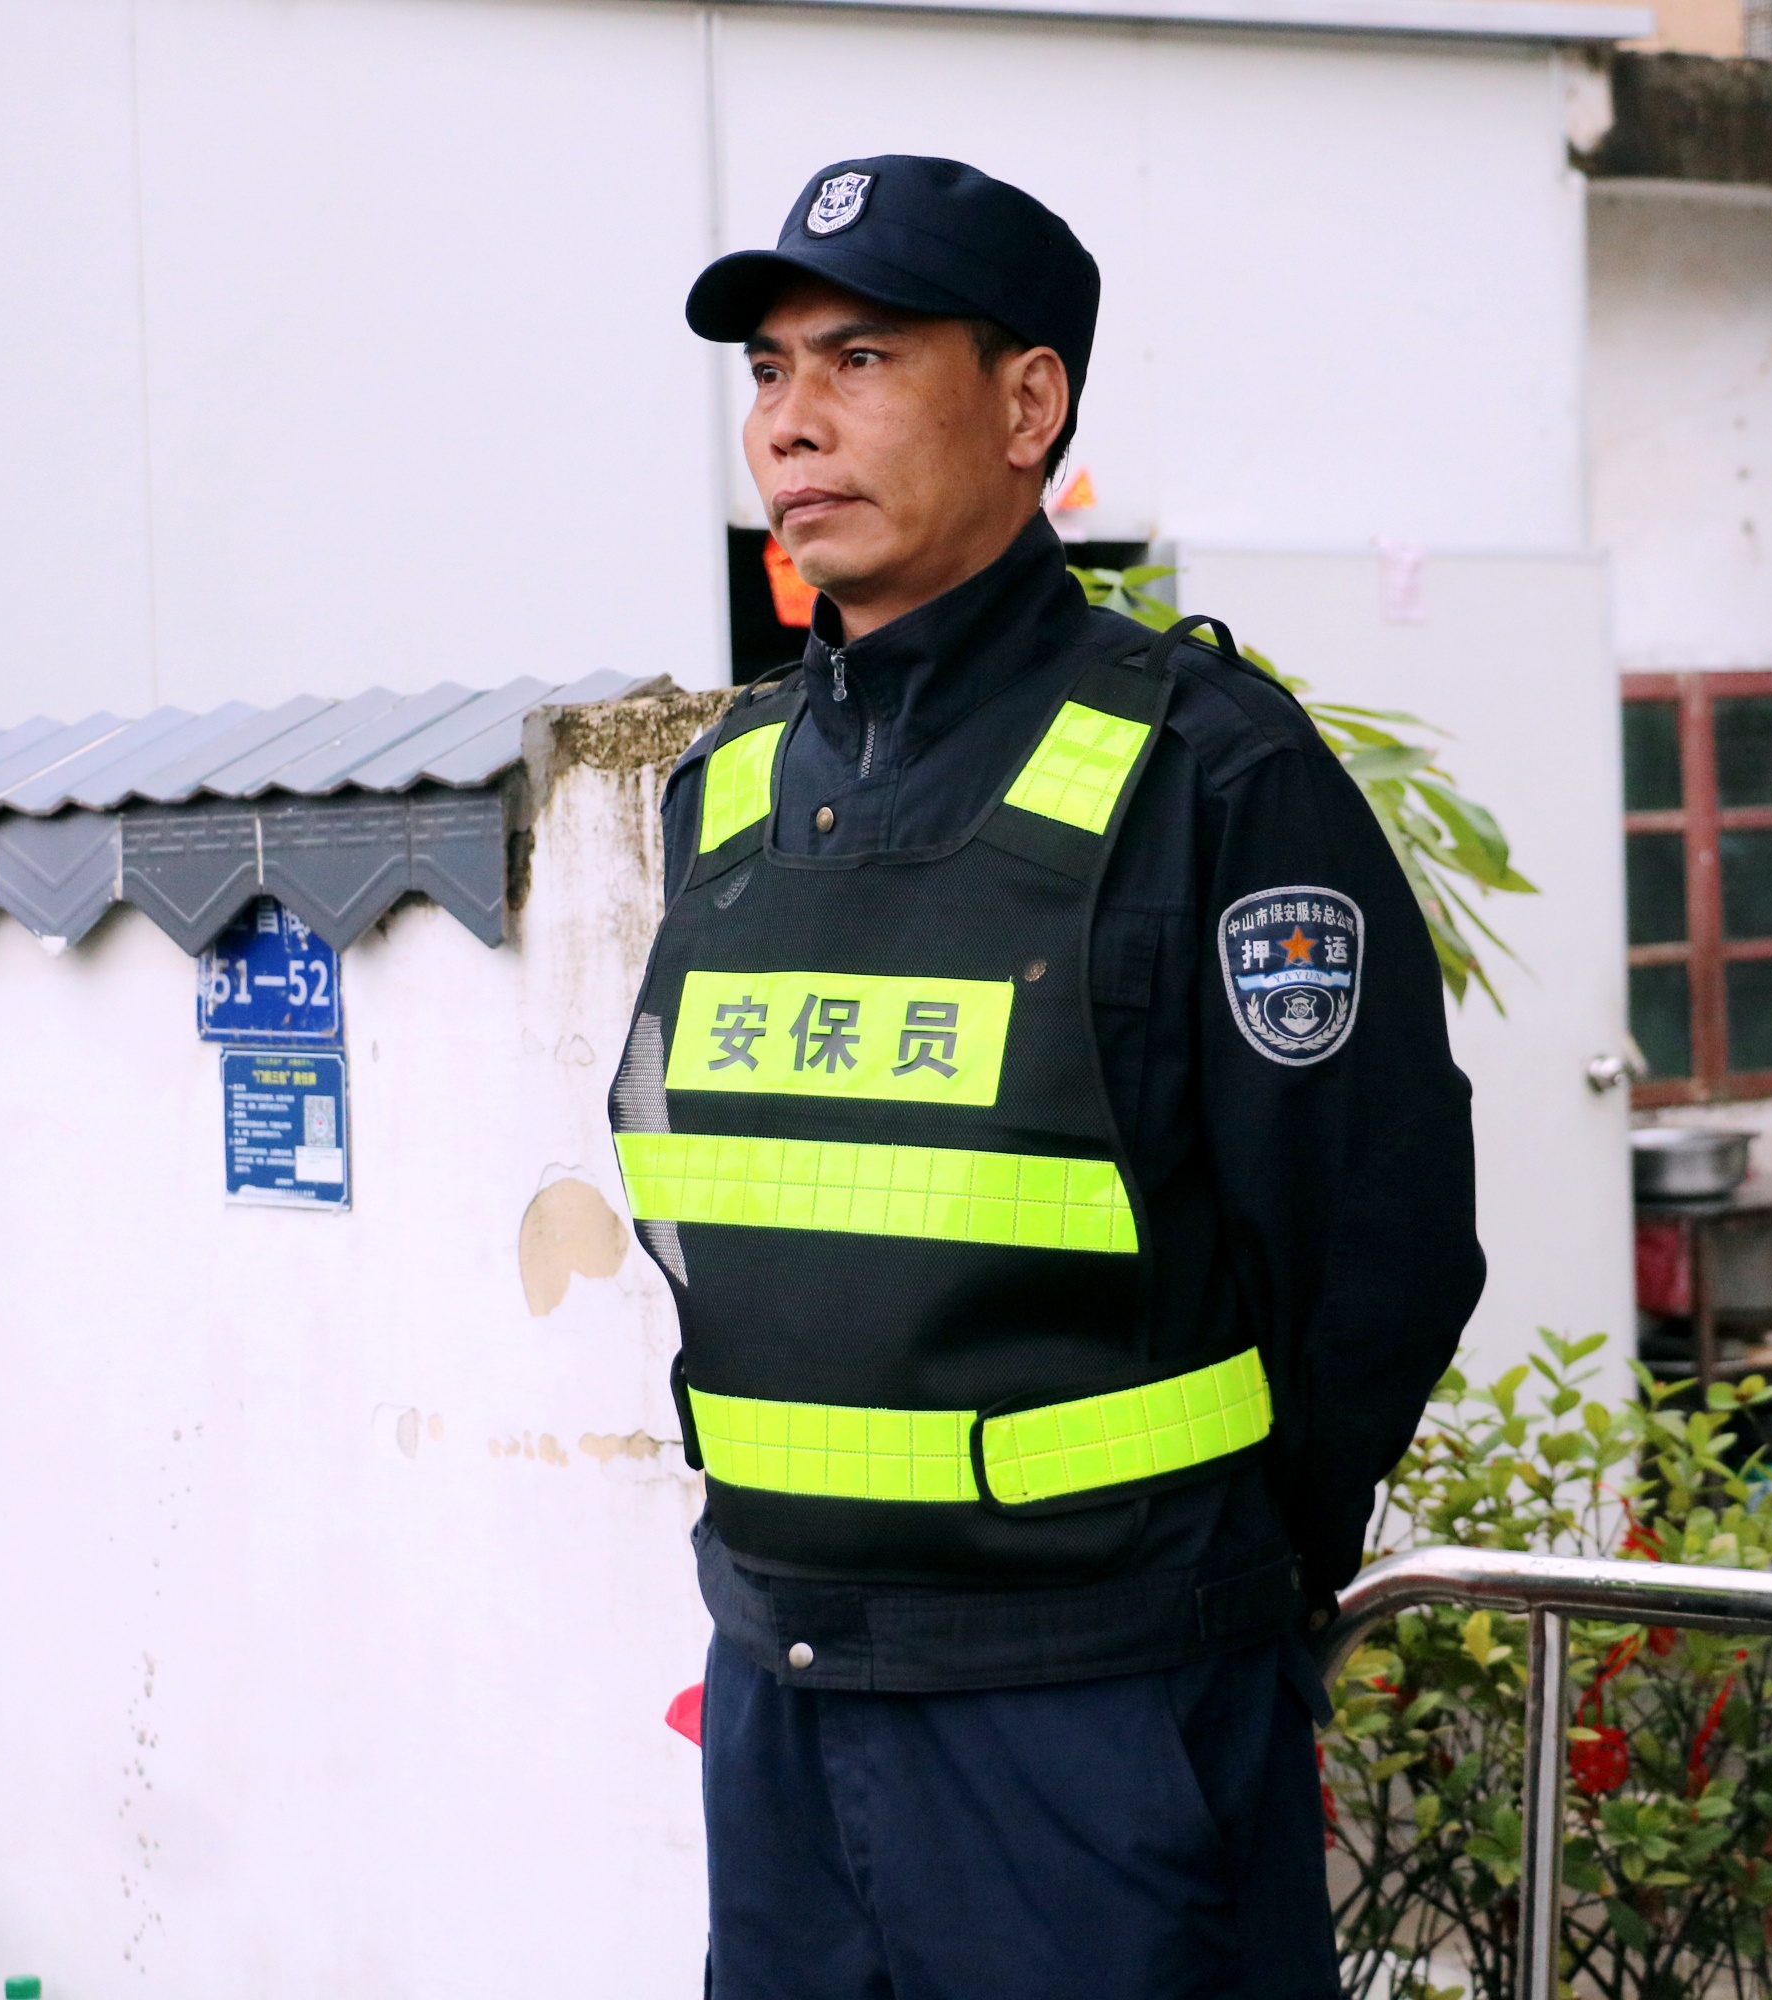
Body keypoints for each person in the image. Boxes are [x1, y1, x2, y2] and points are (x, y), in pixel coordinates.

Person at [609, 154, 1484, 1998]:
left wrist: (1223, 1593)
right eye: (767, 370)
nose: (790, 423)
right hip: (783, 1689)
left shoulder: (1209, 771)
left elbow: (1373, 1246)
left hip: (1101, 1706)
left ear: (1028, 407)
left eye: (860, 359)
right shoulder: (731, 788)